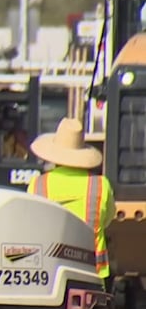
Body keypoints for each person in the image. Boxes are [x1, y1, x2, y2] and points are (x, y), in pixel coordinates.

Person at [27, 118, 115, 281]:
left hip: (48, 269)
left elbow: (31, 224)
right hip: (93, 270)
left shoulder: (38, 184)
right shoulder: (101, 185)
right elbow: (108, 219)